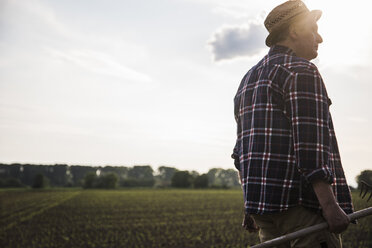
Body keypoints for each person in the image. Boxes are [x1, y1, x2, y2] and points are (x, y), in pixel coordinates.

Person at [231, 1, 354, 247]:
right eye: (313, 29)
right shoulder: (301, 71)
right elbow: (310, 149)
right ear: (295, 30)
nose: (319, 38)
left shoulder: (249, 79)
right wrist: (330, 207)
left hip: (264, 212)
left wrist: (250, 206)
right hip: (301, 208)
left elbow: (242, 152)